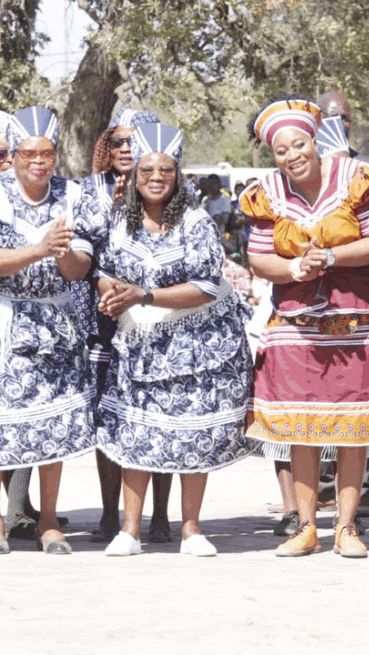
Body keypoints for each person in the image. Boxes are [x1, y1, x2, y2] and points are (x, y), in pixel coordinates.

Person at [242, 99, 369, 558]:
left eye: (299, 144)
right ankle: (306, 528)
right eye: (281, 150)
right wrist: (293, 268)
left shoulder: (355, 179)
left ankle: (346, 527)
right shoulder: (265, 191)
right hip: (297, 317)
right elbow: (258, 256)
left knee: (355, 422)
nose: (292, 155)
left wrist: (331, 256)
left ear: (315, 142)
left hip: (362, 314)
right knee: (299, 423)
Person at [95, 123, 255, 557]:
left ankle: (191, 530)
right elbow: (103, 268)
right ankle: (129, 530)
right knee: (135, 432)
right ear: (135, 174)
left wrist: (144, 295)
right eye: (148, 167)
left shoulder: (196, 222)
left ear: (177, 174)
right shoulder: (120, 220)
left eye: (166, 169)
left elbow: (205, 284)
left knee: (191, 433)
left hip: (194, 343)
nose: (156, 176)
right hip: (138, 343)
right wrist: (111, 289)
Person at [0, 106, 97, 554]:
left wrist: (60, 254)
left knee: (55, 423)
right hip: (7, 320)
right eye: (28, 154)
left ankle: (50, 521)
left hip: (57, 323)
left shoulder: (73, 194)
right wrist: (39, 248)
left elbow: (79, 269)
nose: (38, 162)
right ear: (13, 155)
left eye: (46, 154)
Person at [78, 107, 175, 545]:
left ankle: (159, 514)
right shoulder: (87, 191)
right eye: (117, 141)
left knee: (159, 413)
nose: (126, 149)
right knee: (110, 417)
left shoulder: (164, 191)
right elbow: (82, 248)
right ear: (106, 146)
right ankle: (108, 512)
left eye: (135, 142)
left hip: (157, 317)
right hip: (102, 316)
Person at [316, 90, 369, 519]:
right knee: (326, 387)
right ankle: (325, 484)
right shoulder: (303, 170)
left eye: (344, 117)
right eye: (330, 117)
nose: (339, 123)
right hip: (316, 297)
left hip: (367, 292)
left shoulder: (368, 172)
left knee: (367, 386)